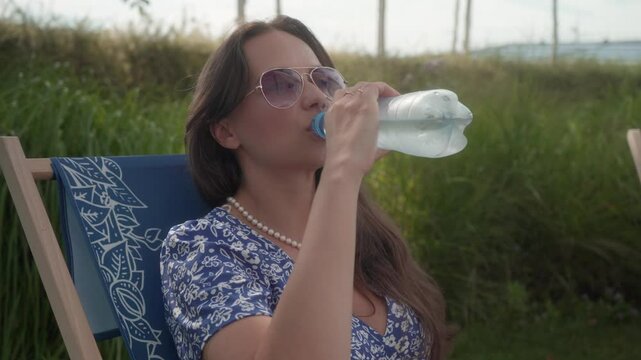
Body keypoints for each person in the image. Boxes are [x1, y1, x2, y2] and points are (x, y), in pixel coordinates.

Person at [160, 15, 447, 360]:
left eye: (324, 81)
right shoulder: (201, 249)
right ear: (226, 131)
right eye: (281, 85)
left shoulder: (359, 230)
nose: (317, 98)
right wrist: (342, 172)